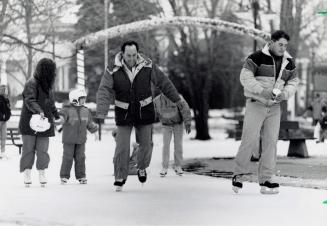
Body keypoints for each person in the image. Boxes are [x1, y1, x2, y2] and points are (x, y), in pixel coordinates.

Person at [97, 40, 187, 192]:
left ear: (137, 53)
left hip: (144, 111)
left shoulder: (148, 66)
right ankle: (120, 177)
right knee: (122, 146)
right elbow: (104, 90)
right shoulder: (112, 69)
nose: (131, 59)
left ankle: (142, 167)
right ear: (122, 54)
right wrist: (101, 111)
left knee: (146, 145)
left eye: (134, 55)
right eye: (128, 55)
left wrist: (177, 100)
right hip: (124, 113)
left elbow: (164, 83)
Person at [232, 30, 299, 194]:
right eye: (280, 44)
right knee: (249, 140)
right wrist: (262, 91)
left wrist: (285, 94)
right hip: (256, 104)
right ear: (271, 42)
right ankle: (238, 176)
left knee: (271, 143)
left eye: (285, 45)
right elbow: (245, 78)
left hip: (275, 107)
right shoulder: (255, 58)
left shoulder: (289, 62)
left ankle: (266, 179)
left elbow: (294, 82)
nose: (283, 48)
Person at [19, 58, 60, 187]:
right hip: (29, 121)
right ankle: (27, 172)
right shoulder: (31, 83)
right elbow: (29, 100)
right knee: (28, 149)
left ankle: (42, 171)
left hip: (45, 123)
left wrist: (56, 115)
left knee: (43, 150)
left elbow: (51, 103)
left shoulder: (48, 86)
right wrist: (39, 111)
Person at [58, 88, 98, 185]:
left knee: (81, 158)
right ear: (75, 99)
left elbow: (89, 123)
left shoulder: (85, 110)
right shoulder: (66, 109)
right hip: (69, 140)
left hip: (81, 140)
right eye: (82, 98)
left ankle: (81, 176)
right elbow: (61, 117)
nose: (84, 100)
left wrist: (95, 131)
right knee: (67, 157)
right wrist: (59, 120)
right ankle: (64, 176)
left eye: (84, 98)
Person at [153, 93, 191, 177]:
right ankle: (164, 167)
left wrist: (187, 122)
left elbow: (185, 109)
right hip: (166, 125)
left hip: (178, 124)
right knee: (166, 145)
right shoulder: (156, 100)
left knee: (178, 145)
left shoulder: (178, 97)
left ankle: (178, 166)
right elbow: (152, 113)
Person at [0, 84, 11, 159]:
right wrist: (1, 116)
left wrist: (7, 116)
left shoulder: (6, 99)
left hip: (4, 121)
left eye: (5, 89)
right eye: (2, 89)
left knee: (3, 137)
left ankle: (3, 153)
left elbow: (8, 110)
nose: (4, 90)